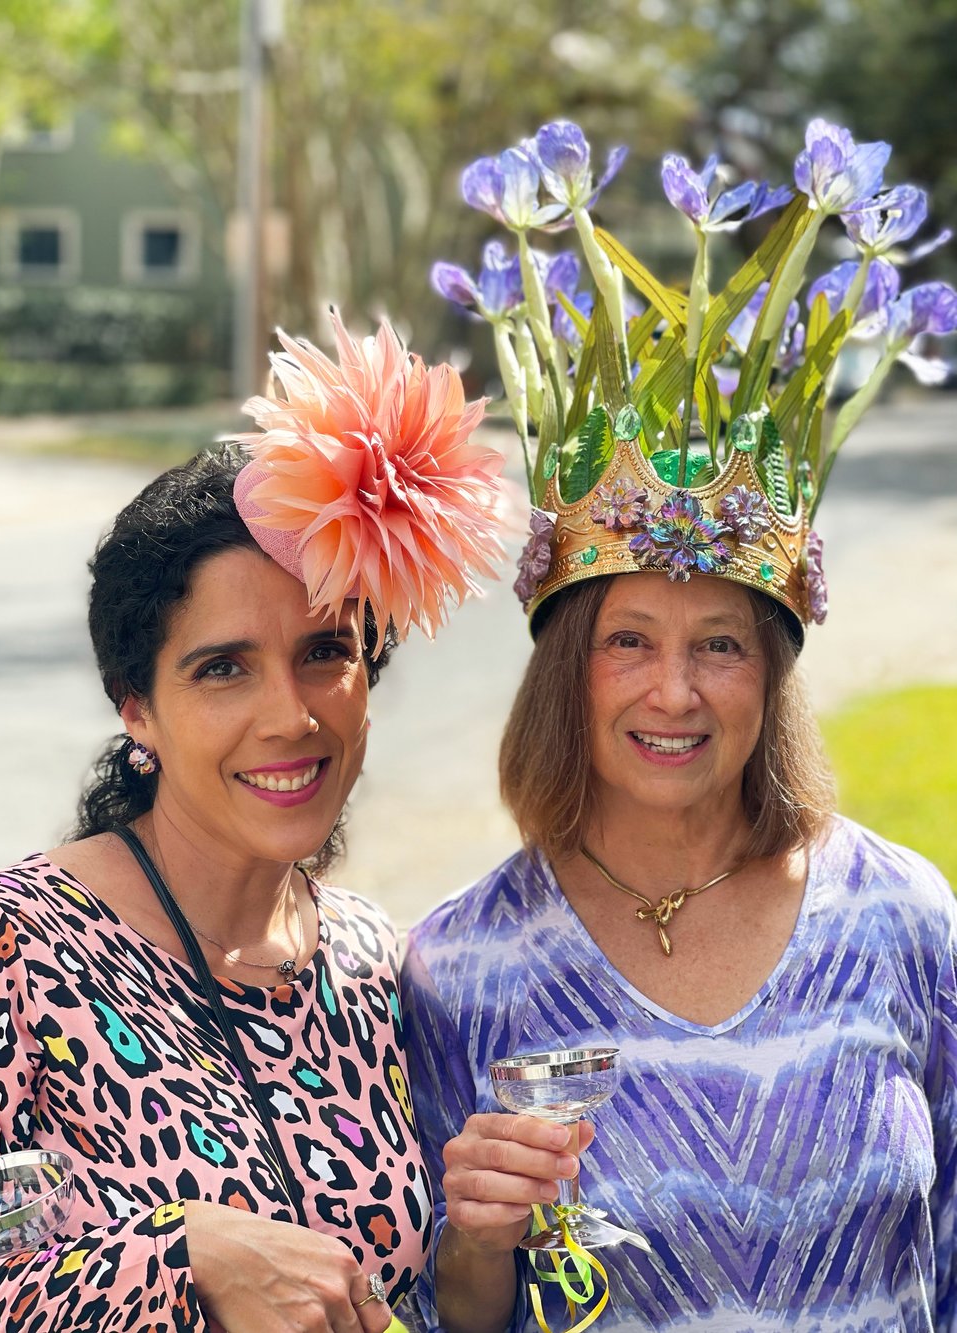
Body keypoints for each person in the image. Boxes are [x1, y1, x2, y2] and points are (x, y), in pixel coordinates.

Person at [401, 118, 957, 1332]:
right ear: (568, 674)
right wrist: (479, 1249)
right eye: (628, 642)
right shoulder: (460, 969)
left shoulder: (907, 921)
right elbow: (452, 1314)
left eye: (720, 643)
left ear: (772, 672)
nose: (675, 692)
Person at [0, 313, 505, 1332]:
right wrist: (183, 1254)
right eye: (222, 668)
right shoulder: (4, 950)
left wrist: (481, 1239)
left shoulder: (378, 964)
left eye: (324, 652)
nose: (290, 715)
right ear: (137, 709)